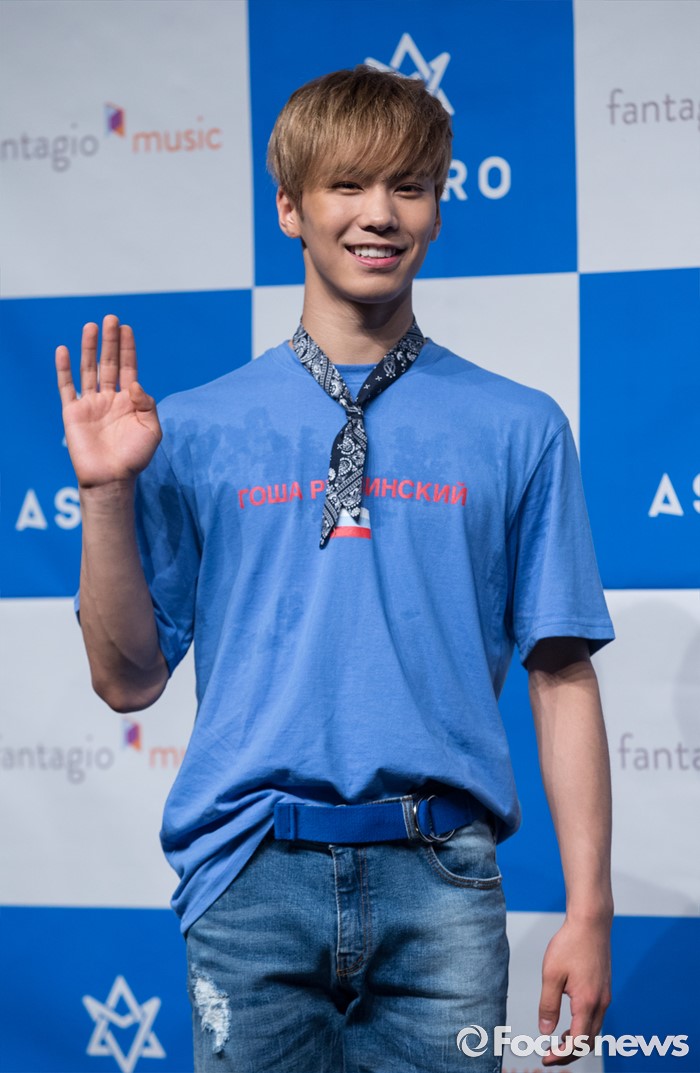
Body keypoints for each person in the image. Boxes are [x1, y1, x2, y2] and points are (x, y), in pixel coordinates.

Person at [56, 66, 615, 1073]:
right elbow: (125, 679)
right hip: (250, 878)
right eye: (347, 185)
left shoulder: (521, 425)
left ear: (439, 208)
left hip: (443, 887)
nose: (380, 214)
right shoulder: (191, 427)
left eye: (410, 186)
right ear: (290, 208)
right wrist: (105, 494)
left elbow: (562, 670)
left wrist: (590, 908)